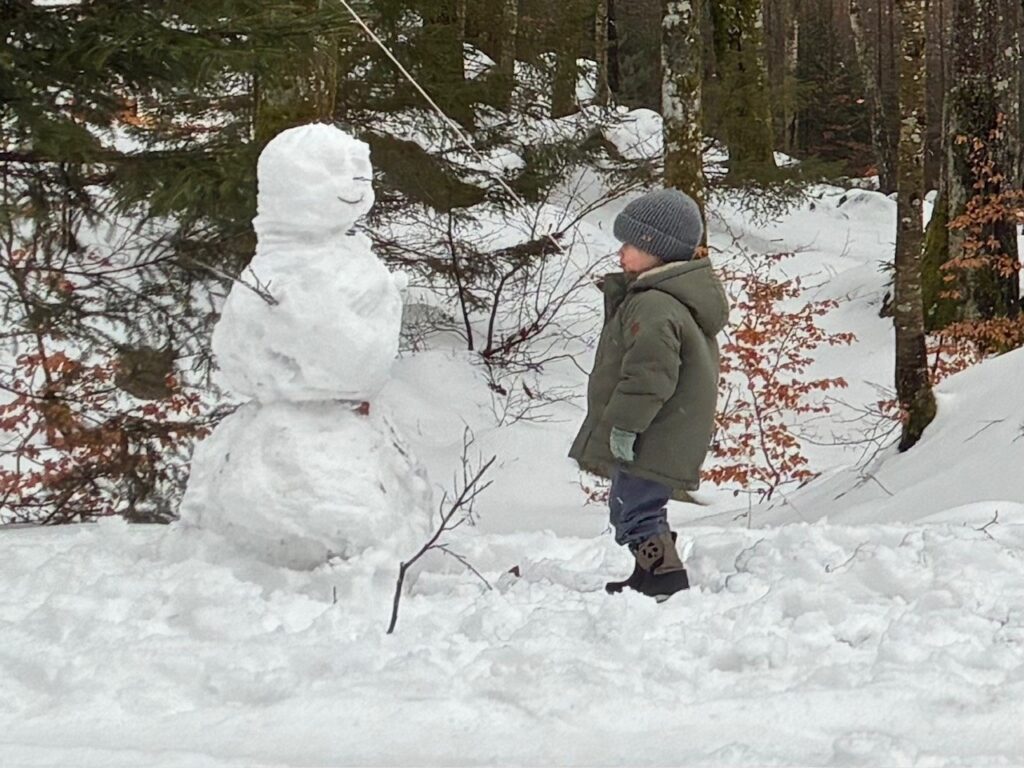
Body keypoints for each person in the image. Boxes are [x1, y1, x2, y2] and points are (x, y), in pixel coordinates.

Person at [569, 188, 728, 601]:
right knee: (633, 504)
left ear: (658, 249)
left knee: (635, 507)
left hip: (654, 432)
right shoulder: (662, 298)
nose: (620, 253)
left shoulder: (656, 305)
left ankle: (664, 575)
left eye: (631, 244)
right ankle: (647, 574)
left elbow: (650, 376)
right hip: (665, 430)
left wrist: (625, 426)